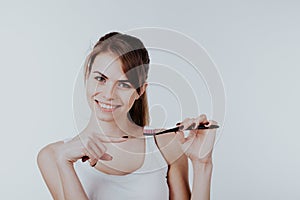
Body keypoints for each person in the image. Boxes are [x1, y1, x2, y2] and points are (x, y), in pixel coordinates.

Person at [37, 31, 218, 200]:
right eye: (101, 79)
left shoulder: (165, 143)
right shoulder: (54, 156)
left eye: (123, 84)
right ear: (87, 75)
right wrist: (65, 163)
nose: (109, 94)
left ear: (140, 90)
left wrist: (202, 163)